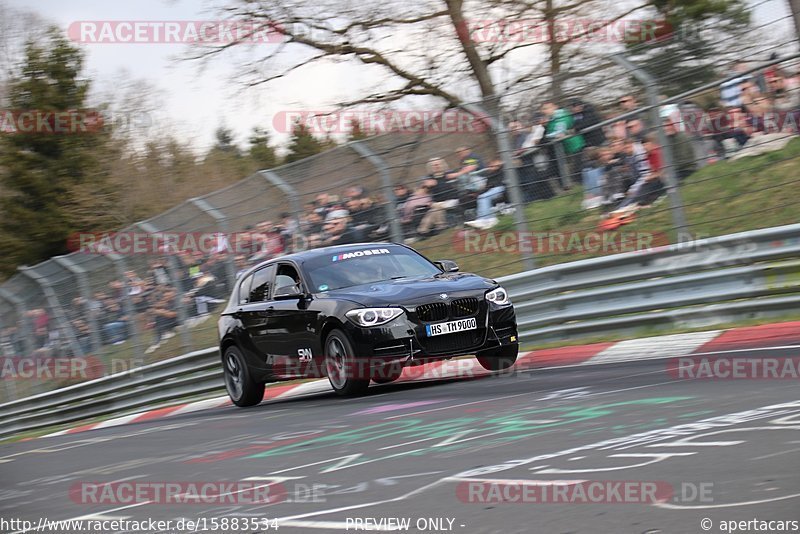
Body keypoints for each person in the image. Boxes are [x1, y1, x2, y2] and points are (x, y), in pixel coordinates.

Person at [542, 100, 585, 188]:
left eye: (547, 108)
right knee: (574, 170)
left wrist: (549, 136)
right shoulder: (551, 119)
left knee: (578, 169)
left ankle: (584, 187)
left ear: (555, 107)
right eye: (543, 109)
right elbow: (550, 133)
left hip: (575, 145)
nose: (545, 111)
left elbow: (560, 131)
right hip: (567, 147)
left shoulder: (561, 115)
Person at [417, 157, 459, 236]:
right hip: (438, 203)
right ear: (430, 167)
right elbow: (419, 193)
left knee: (435, 208)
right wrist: (425, 185)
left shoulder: (449, 174)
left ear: (442, 165)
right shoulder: (429, 178)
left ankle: (424, 230)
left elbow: (458, 182)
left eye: (438, 164)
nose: (436, 166)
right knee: (434, 209)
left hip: (452, 200)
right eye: (434, 165)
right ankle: (435, 228)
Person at [465, 158, 506, 229]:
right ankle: (483, 220)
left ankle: (488, 219)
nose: (491, 168)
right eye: (490, 166)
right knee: (481, 197)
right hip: (492, 190)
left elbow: (495, 183)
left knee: (483, 197)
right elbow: (487, 186)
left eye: (493, 166)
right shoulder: (490, 175)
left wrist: (499, 164)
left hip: (501, 188)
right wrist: (478, 193)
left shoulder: (502, 170)